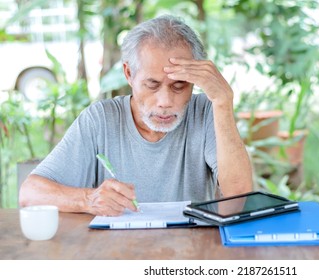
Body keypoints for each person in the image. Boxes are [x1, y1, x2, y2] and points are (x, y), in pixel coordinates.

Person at [19, 15, 253, 216]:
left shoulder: (205, 111)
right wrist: (88, 199)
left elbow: (239, 196)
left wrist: (223, 102)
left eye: (179, 86)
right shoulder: (101, 119)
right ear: (129, 74)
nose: (165, 102)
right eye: (152, 85)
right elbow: (30, 194)